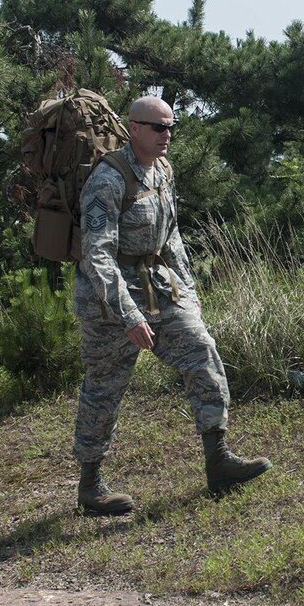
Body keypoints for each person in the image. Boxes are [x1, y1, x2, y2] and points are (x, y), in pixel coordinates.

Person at [70, 95, 270, 515]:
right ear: (135, 128)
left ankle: (218, 461)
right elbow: (97, 256)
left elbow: (172, 237)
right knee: (104, 388)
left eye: (170, 127)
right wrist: (128, 316)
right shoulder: (107, 181)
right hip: (108, 302)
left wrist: (189, 297)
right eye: (158, 127)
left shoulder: (163, 170)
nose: (167, 135)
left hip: (159, 288)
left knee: (201, 349)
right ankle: (90, 485)